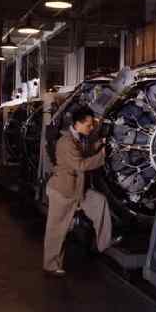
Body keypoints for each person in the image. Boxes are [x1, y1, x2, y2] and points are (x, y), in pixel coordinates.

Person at [42, 106, 112, 277]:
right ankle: (51, 266)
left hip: (78, 189)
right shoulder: (66, 142)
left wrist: (100, 144)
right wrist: (102, 156)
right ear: (77, 123)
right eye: (89, 125)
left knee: (99, 202)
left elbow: (85, 152)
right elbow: (80, 164)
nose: (91, 128)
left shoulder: (79, 139)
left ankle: (104, 245)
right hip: (62, 191)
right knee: (57, 229)